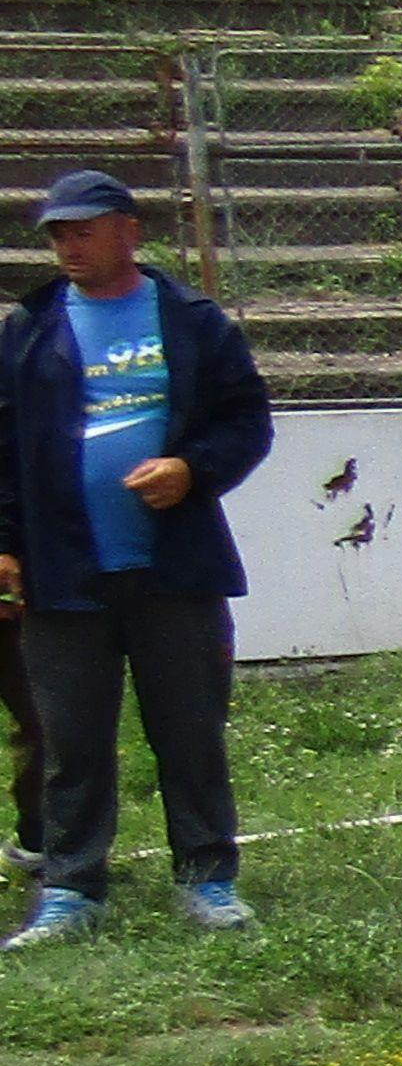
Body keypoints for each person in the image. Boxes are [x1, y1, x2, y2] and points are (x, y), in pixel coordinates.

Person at [0, 168, 271, 942]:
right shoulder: (30, 329)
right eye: (56, 234)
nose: (68, 246)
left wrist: (193, 469)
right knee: (70, 741)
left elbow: (246, 420)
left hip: (173, 569)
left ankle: (209, 880)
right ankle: (72, 888)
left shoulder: (192, 322)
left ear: (129, 230)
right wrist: (4, 546)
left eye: (82, 230)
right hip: (63, 571)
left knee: (190, 731)